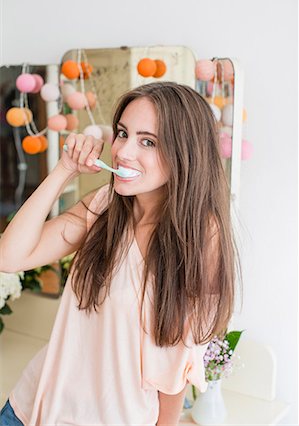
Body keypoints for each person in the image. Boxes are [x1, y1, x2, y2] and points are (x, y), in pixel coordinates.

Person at [0, 81, 241, 426]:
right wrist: (64, 168)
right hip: (28, 408)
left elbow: (176, 365)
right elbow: (8, 257)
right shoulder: (103, 207)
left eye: (148, 141)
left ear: (185, 152)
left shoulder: (202, 238)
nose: (124, 152)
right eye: (122, 134)